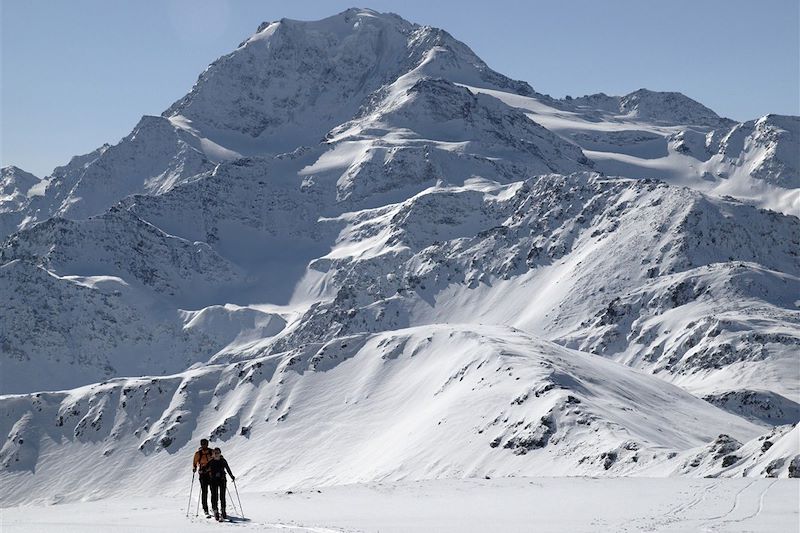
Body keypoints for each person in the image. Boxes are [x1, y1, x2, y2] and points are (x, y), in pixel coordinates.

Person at [207, 447, 235, 521]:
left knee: (222, 496)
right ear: (213, 454)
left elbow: (227, 468)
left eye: (218, 453)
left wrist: (231, 475)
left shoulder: (222, 461)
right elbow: (205, 469)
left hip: (222, 480)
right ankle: (215, 511)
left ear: (220, 453)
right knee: (214, 496)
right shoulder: (211, 461)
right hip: (213, 480)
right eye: (215, 453)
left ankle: (223, 511)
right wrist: (202, 471)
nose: (216, 454)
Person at [192, 438, 213, 517]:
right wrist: (194, 468)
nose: (204, 445)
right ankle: (205, 509)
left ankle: (214, 507)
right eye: (203, 444)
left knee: (212, 491)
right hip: (203, 474)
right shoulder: (198, 453)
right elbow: (194, 462)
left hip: (210, 474)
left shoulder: (211, 451)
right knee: (205, 491)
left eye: (205, 444)